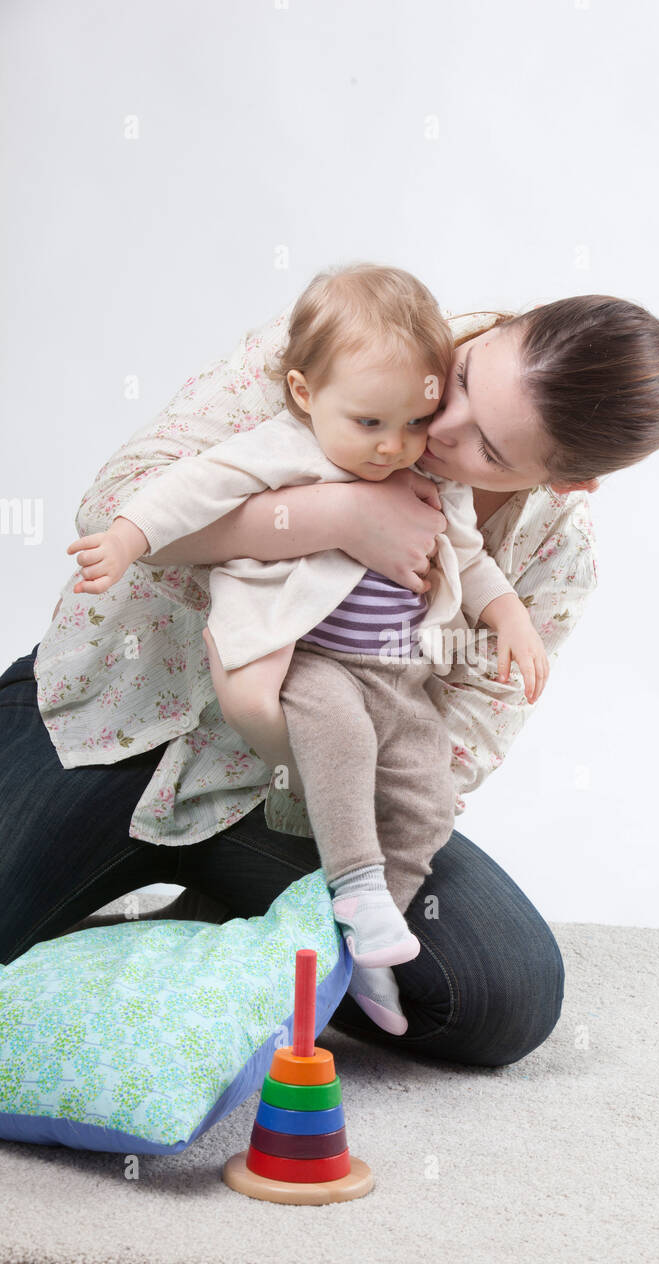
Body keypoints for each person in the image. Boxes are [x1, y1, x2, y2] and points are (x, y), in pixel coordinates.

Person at [0, 290, 659, 1067]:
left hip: (313, 806)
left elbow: (458, 745)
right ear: (496, 329)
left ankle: (230, 933)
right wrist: (338, 516)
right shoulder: (351, 342)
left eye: (490, 451)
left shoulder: (557, 553)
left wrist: (297, 750)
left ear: (564, 483)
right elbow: (113, 509)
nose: (439, 426)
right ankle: (232, 952)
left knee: (503, 996)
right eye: (459, 378)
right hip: (115, 724)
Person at [63, 266, 549, 1036]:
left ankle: (366, 939)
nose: (396, 448)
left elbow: (469, 555)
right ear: (302, 392)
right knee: (340, 733)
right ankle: (354, 887)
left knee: (424, 792)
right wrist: (127, 537)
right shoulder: (289, 447)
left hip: (394, 679)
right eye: (371, 426)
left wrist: (510, 616)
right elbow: (191, 486)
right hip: (303, 662)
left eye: (413, 426)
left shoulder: (421, 465)